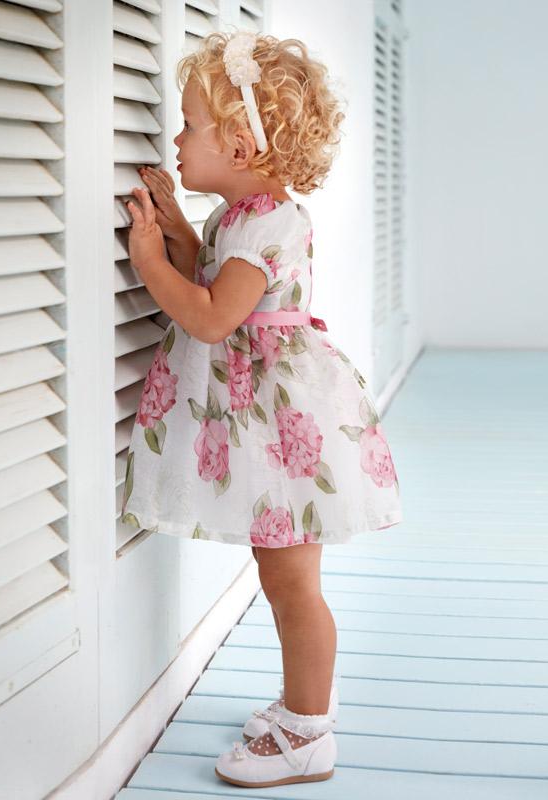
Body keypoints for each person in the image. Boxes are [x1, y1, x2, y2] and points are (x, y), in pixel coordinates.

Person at [122, 28, 403, 788]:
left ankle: (309, 731)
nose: (177, 137)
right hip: (265, 426)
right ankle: (299, 703)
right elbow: (212, 277)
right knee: (283, 578)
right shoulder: (238, 219)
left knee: (291, 585)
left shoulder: (271, 222)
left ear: (240, 146)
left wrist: (150, 261)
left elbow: (213, 316)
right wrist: (179, 231)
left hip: (280, 434)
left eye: (189, 124)